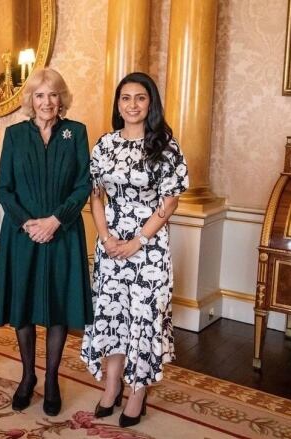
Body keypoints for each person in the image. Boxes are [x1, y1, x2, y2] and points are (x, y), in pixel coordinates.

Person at [80, 72, 189, 428]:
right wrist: (107, 238)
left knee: (143, 319)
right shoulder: (105, 144)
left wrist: (137, 242)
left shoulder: (166, 147)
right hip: (111, 246)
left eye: (140, 98)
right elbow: (95, 196)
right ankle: (111, 386)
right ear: (118, 104)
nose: (132, 105)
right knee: (112, 316)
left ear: (150, 103)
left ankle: (138, 391)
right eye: (125, 98)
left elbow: (169, 202)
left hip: (149, 248)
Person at [0, 68, 93, 417]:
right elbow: (5, 188)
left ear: (61, 99)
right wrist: (29, 224)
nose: (46, 102)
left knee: (58, 306)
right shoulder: (15, 135)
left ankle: (50, 380)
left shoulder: (75, 133)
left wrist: (55, 220)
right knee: (23, 305)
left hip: (63, 233)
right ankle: (27, 376)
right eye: (39, 95)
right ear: (30, 100)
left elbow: (83, 185)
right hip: (23, 235)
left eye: (52, 95)